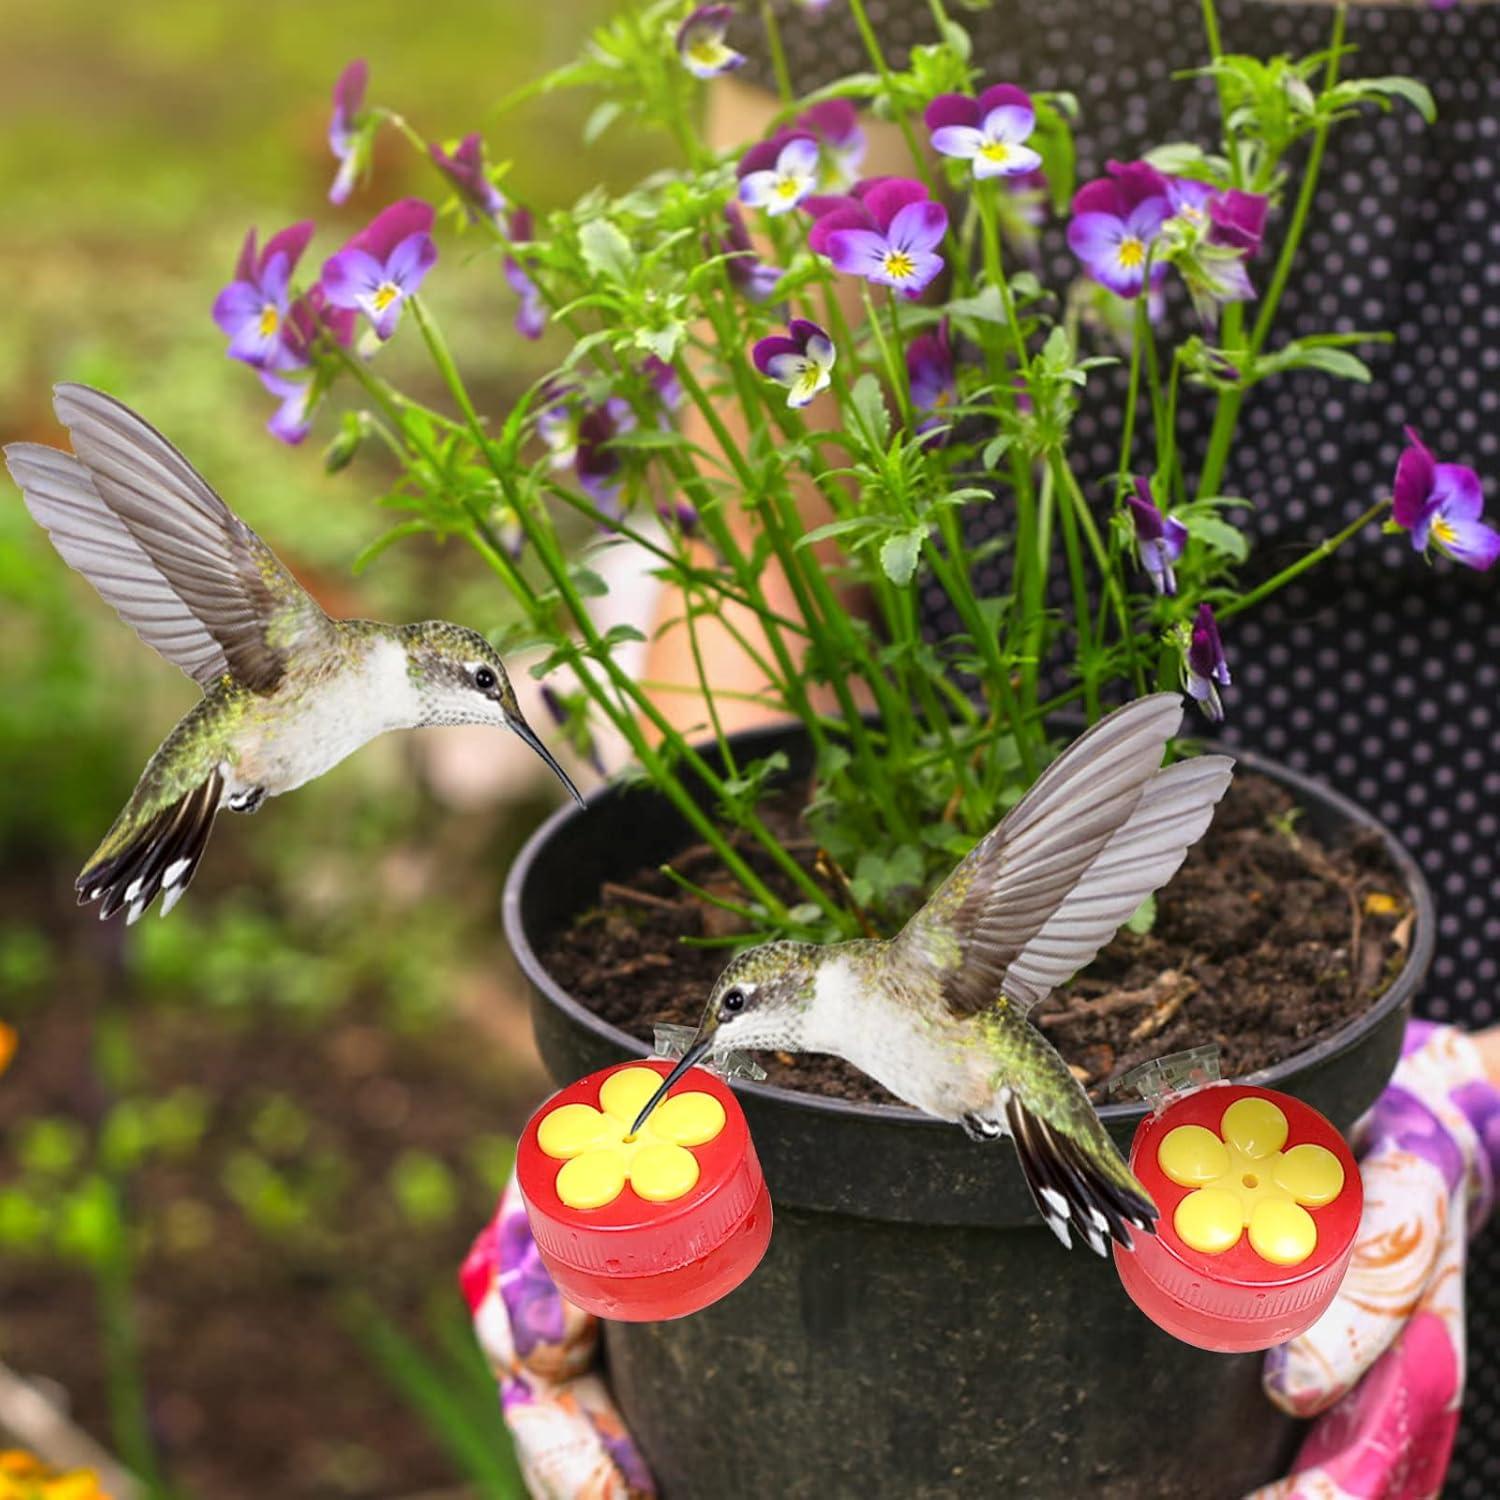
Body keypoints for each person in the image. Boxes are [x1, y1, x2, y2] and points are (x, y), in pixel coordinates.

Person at [644, 2, 1500, 1488]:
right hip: (976, 754)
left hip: (1441, 966)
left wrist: (1486, 1094)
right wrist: (630, 1132)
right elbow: (754, 526)